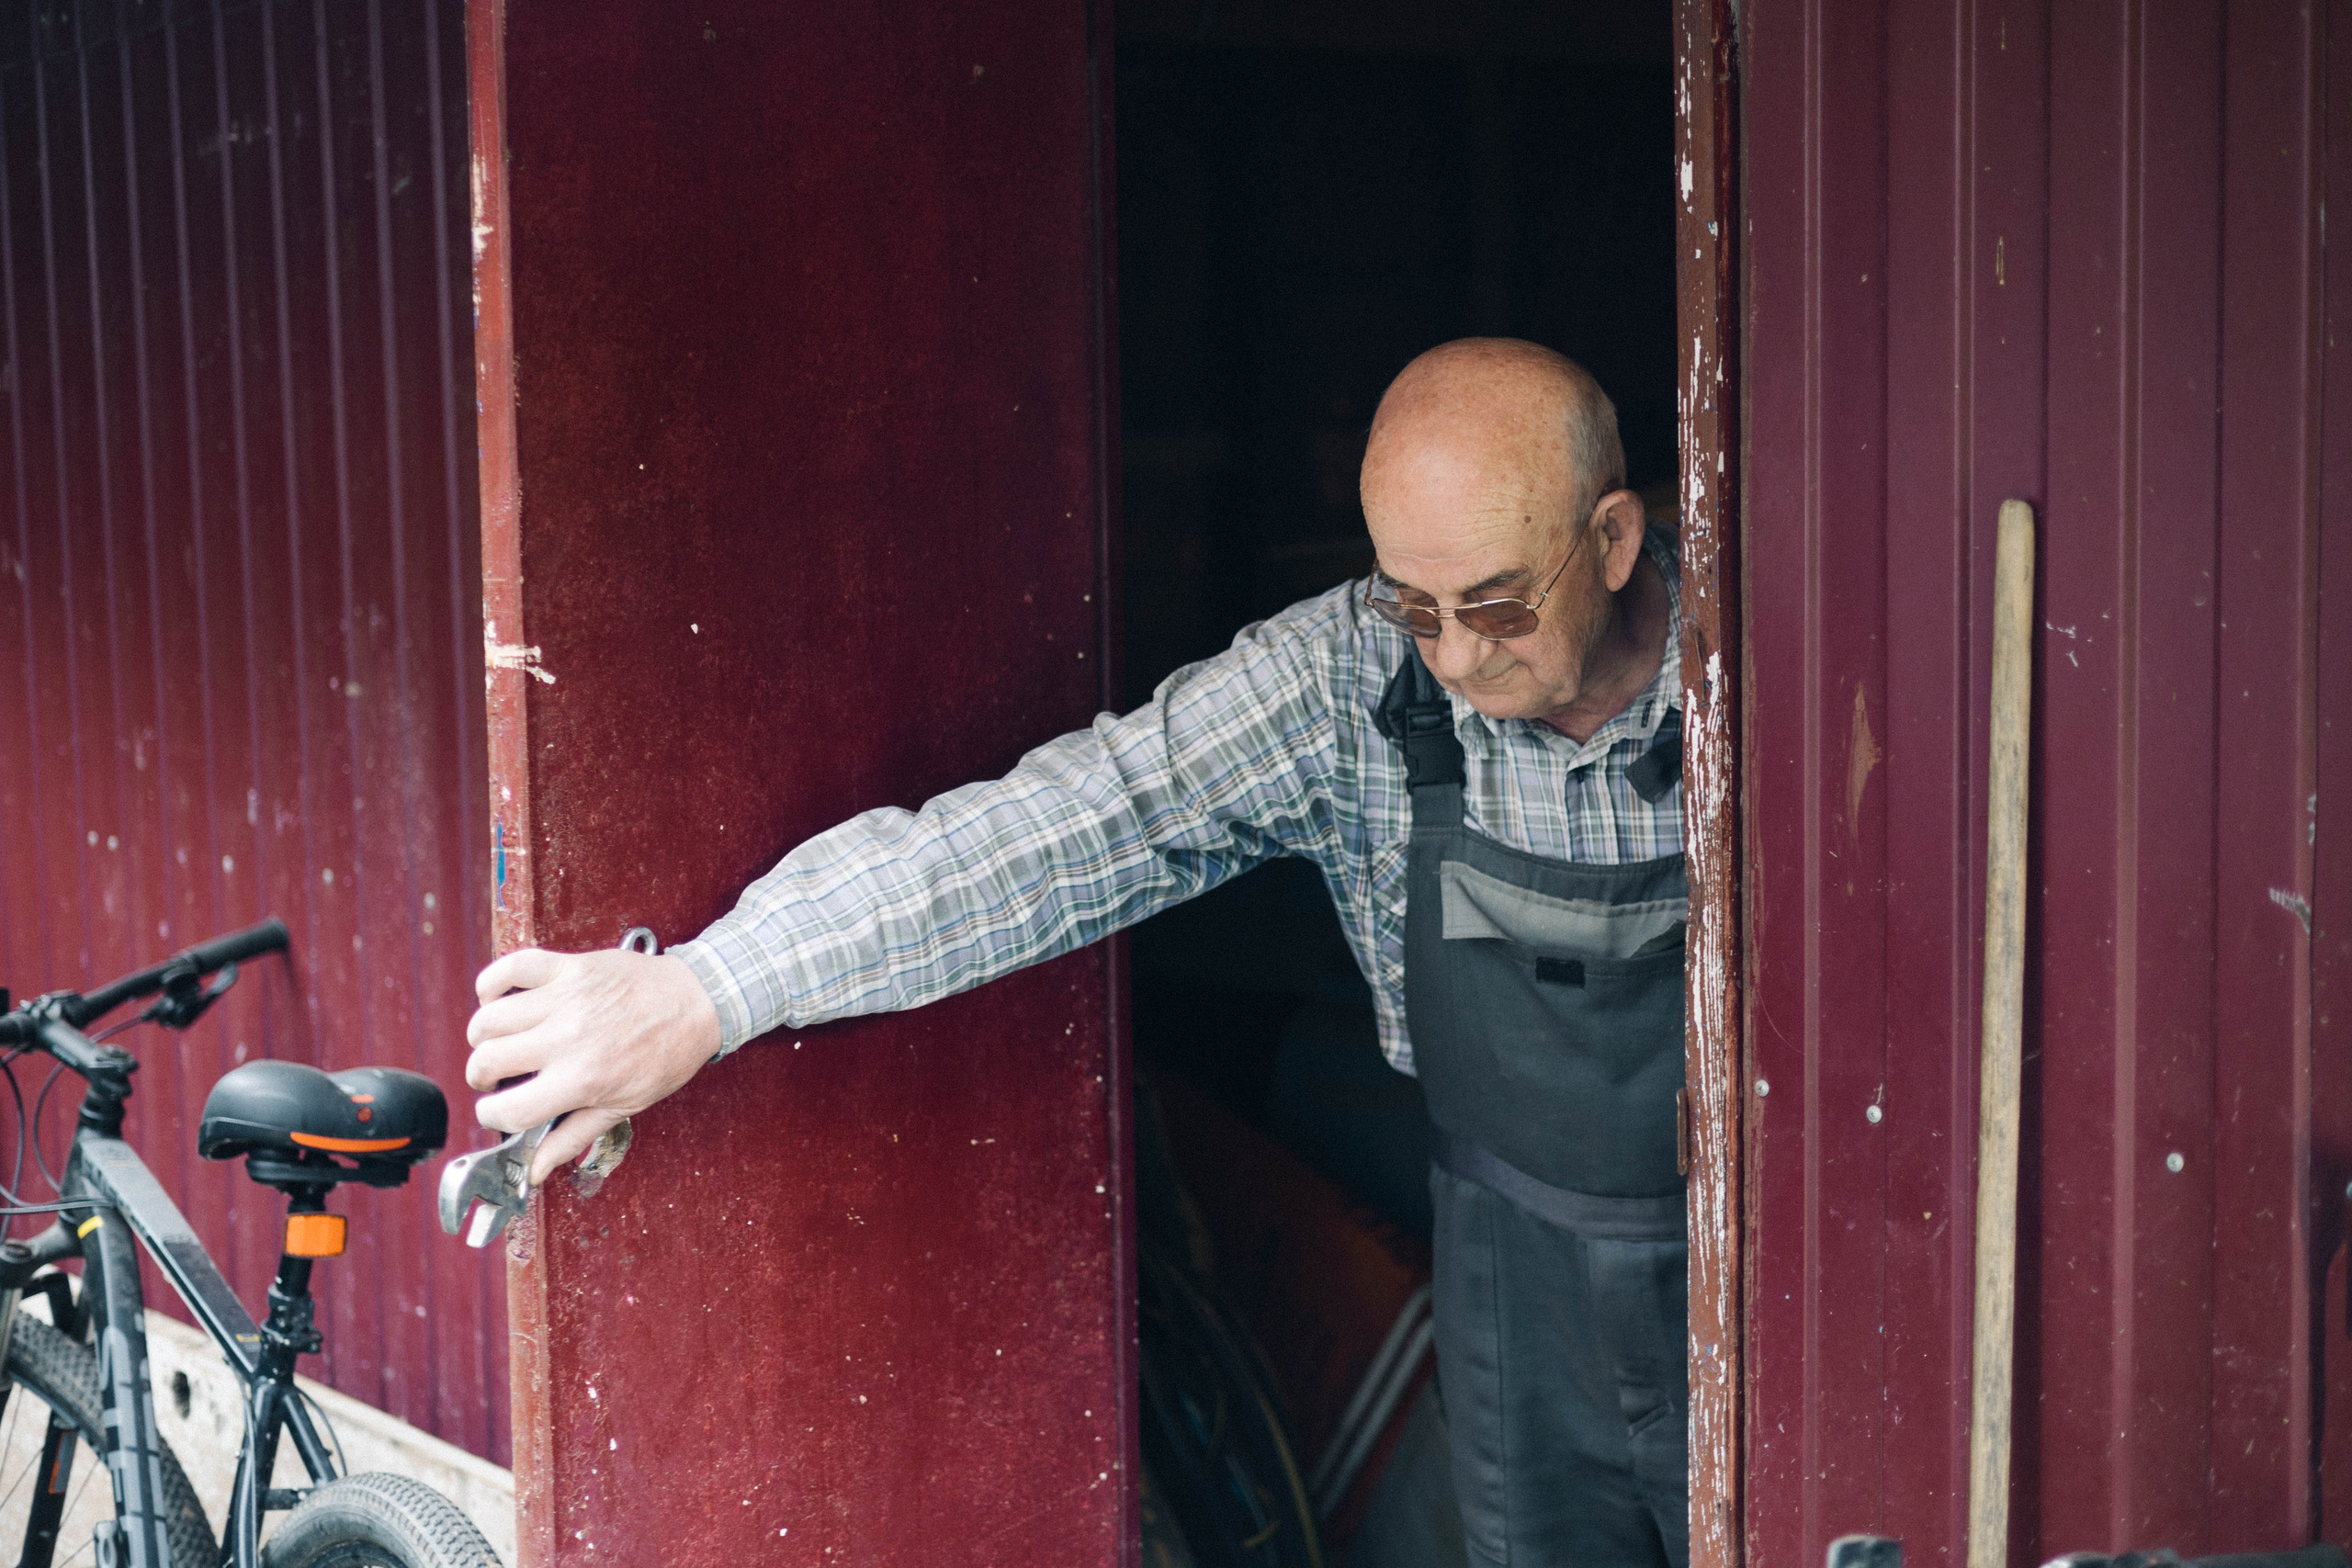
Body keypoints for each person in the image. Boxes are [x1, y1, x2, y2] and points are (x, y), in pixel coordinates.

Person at [462, 336, 1690, 1568]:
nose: (1460, 660)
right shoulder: (1348, 681)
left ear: (1617, 540)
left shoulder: (1776, 663)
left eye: (1497, 607)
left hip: (1749, 1259)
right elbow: (1065, 825)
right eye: (1415, 611)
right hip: (1508, 1284)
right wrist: (703, 990)